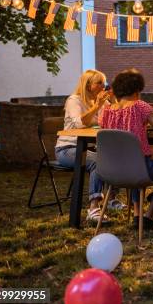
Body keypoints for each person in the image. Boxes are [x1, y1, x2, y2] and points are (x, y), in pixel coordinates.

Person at [98, 69, 153, 229]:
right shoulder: (140, 106)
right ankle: (149, 215)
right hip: (139, 171)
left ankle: (137, 216)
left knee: (134, 162)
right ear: (138, 90)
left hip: (112, 171)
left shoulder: (107, 111)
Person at [55, 69, 122, 224]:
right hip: (68, 149)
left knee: (116, 156)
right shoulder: (74, 100)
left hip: (91, 147)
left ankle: (111, 199)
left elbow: (118, 116)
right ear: (88, 85)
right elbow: (80, 123)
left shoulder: (101, 101)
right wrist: (97, 106)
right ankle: (93, 208)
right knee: (98, 161)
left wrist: (114, 101)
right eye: (99, 82)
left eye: (104, 83)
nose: (103, 86)